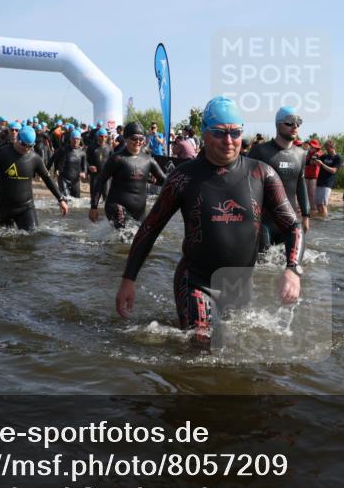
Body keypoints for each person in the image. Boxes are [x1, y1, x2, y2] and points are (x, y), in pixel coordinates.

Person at [114, 96, 303, 345]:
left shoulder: (261, 173)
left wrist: (292, 270)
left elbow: (293, 226)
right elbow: (151, 228)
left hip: (239, 286)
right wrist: (129, 279)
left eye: (235, 133)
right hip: (196, 280)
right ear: (204, 133)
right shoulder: (183, 178)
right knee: (202, 347)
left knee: (236, 349)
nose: (228, 141)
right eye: (219, 133)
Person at [0, 125, 67, 230]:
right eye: (24, 144)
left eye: (30, 146)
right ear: (18, 138)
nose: (27, 148)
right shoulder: (2, 154)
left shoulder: (35, 159)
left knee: (33, 237)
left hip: (26, 207)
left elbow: (48, 179)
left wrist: (61, 199)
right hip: (3, 208)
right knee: (0, 242)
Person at [247, 107, 311, 248]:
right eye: (289, 122)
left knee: (290, 265)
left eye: (298, 122)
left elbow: (301, 184)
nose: (295, 126)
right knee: (263, 266)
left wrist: (306, 215)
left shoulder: (300, 154)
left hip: (289, 222)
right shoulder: (260, 151)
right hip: (263, 222)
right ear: (277, 124)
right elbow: (245, 184)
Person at [89, 122, 166, 229]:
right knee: (126, 236)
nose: (138, 142)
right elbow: (101, 181)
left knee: (139, 240)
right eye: (134, 138)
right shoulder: (117, 159)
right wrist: (94, 207)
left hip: (139, 212)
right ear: (126, 138)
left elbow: (165, 181)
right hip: (116, 206)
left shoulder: (148, 160)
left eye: (141, 139)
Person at [48, 127, 88, 200]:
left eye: (78, 139)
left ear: (80, 140)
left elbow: (84, 166)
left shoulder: (82, 153)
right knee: (66, 200)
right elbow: (52, 159)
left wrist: (84, 173)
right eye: (74, 139)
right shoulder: (63, 149)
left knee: (77, 201)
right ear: (70, 139)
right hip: (63, 178)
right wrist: (50, 170)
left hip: (75, 180)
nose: (76, 141)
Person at [313, 139, 341, 217]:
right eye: (325, 148)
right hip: (319, 182)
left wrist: (322, 164)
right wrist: (314, 157)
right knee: (318, 204)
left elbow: (333, 171)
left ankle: (325, 220)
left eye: (327, 148)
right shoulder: (324, 156)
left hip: (328, 183)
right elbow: (314, 161)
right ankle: (320, 221)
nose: (326, 150)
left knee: (323, 204)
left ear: (332, 147)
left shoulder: (337, 158)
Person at [87, 129, 113, 202]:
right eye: (101, 136)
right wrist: (89, 167)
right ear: (98, 136)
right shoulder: (91, 147)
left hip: (106, 176)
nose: (103, 138)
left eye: (105, 136)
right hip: (94, 176)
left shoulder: (109, 148)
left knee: (106, 197)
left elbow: (113, 162)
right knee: (94, 198)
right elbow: (85, 161)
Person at [303, 139, 321, 213]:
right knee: (307, 193)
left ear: (316, 148)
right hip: (307, 175)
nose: (311, 148)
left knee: (312, 194)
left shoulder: (318, 153)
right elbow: (307, 162)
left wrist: (310, 161)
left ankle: (314, 209)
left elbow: (312, 161)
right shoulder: (308, 154)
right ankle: (310, 208)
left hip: (314, 176)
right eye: (311, 146)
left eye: (313, 147)